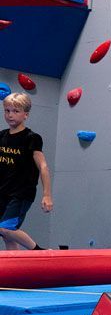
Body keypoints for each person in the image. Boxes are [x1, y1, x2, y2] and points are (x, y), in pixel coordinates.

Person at [0, 93, 52, 250]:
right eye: (7, 111)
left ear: (26, 115)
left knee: (5, 228)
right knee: (6, 235)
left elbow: (43, 166)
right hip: (3, 191)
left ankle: (39, 252)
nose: (10, 115)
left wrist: (47, 195)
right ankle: (13, 268)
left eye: (15, 111)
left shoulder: (31, 138)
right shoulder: (1, 136)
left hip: (21, 192)